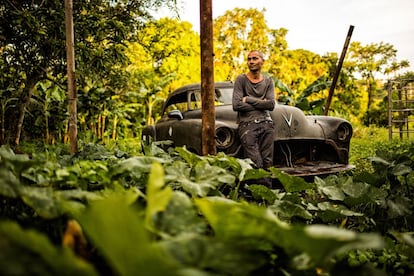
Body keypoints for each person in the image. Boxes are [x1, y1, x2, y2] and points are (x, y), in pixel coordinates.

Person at [232, 50, 276, 175]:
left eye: (255, 58)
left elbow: (271, 104)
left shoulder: (268, 81)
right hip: (247, 125)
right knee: (255, 162)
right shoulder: (241, 80)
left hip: (267, 124)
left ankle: (268, 192)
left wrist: (248, 99)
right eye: (249, 59)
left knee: (268, 162)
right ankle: (257, 192)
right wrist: (262, 104)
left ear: (262, 61)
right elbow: (236, 105)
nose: (251, 62)